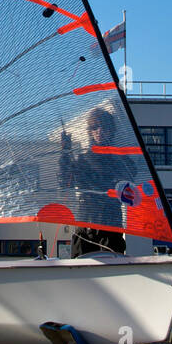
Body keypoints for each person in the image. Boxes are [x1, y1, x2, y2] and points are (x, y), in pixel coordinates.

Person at [59, 107, 126, 256]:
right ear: (90, 131)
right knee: (80, 269)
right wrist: (65, 153)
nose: (99, 131)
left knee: (113, 268)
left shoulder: (120, 160)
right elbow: (64, 182)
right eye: (95, 127)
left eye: (104, 127)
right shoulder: (83, 160)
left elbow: (130, 181)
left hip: (111, 225)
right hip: (86, 224)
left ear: (111, 130)